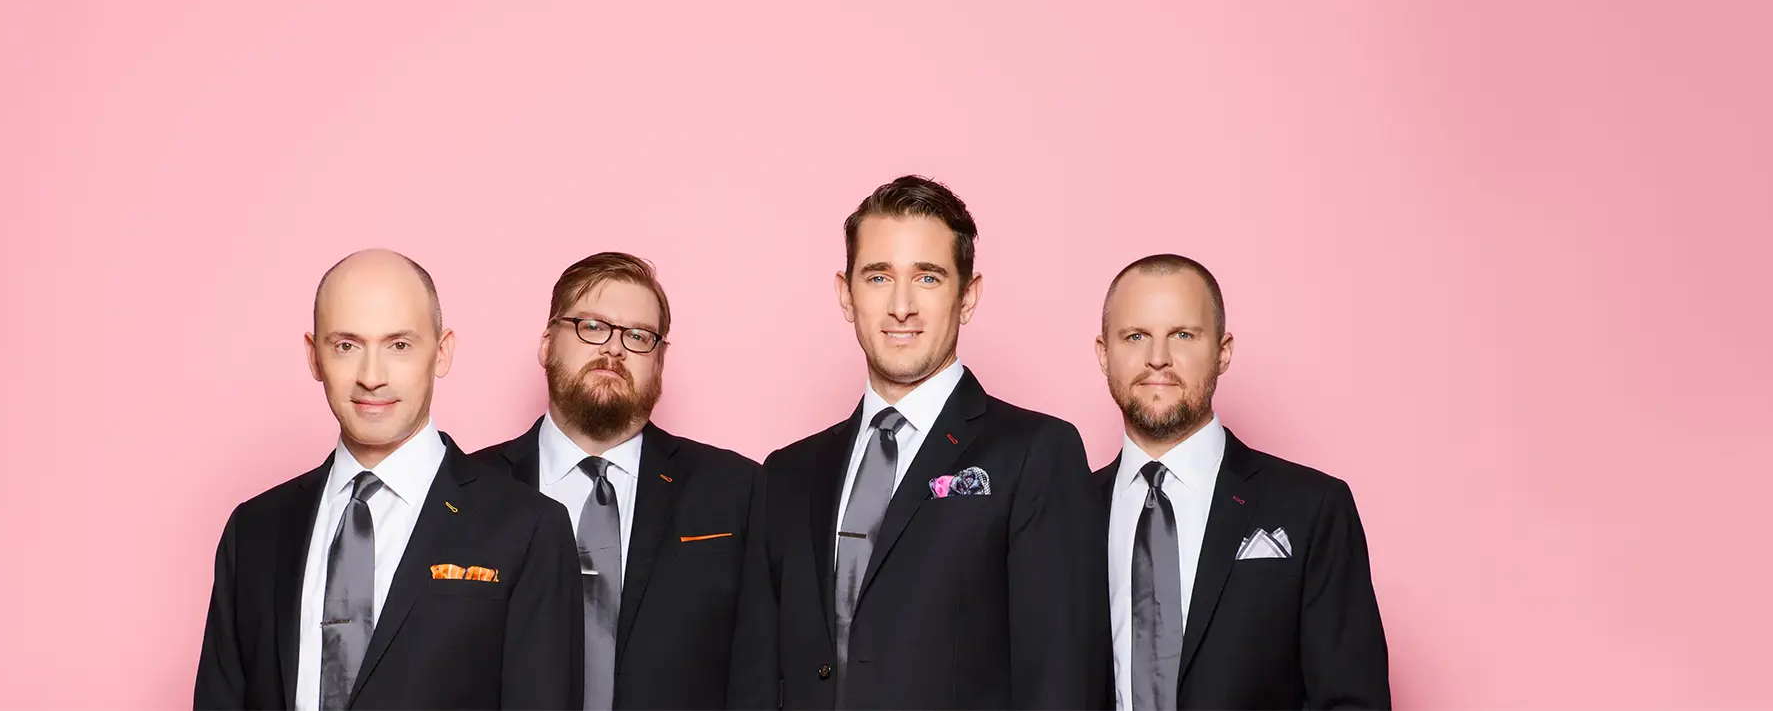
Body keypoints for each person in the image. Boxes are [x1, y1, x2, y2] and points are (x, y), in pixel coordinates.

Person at [732, 176, 1109, 710]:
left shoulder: (1036, 453)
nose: (901, 305)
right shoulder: (788, 473)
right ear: (846, 294)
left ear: (968, 295)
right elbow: (755, 679)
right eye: (878, 276)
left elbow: (1061, 679)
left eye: (928, 278)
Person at [192, 249, 580, 710]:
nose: (371, 377)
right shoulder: (255, 530)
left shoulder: (528, 528)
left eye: (399, 345)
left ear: (442, 351)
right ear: (314, 356)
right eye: (346, 346)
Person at [1092, 253, 1390, 709]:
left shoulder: (1312, 508)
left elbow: (1351, 699)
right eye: (1135, 336)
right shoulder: (1061, 511)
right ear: (1103, 353)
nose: (1157, 359)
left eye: (1183, 335)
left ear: (1223, 351)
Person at [471, 251, 763, 710]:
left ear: (660, 362)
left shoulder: (737, 491)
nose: (614, 348)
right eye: (592, 326)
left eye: (638, 336)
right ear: (547, 343)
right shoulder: (468, 492)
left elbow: (760, 670)